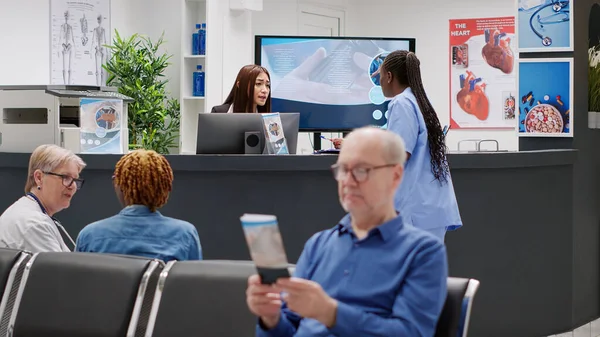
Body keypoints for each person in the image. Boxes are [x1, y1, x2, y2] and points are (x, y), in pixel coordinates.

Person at [246, 127, 448, 337]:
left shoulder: (422, 253)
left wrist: (330, 312)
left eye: (362, 170)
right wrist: (271, 318)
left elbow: (410, 333)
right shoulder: (319, 245)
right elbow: (290, 328)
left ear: (395, 176)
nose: (348, 181)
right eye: (343, 169)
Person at [333, 50, 462, 241]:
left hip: (415, 209)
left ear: (389, 76)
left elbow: (400, 153)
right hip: (430, 205)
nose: (379, 82)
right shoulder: (419, 101)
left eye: (380, 76)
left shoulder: (400, 103)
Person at [75, 149, 202, 262]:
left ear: (118, 184)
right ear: (165, 187)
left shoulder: (90, 235)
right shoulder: (185, 234)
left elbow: (79, 285)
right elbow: (193, 285)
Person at [0, 144, 86, 252]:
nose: (73, 186)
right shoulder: (33, 224)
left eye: (75, 180)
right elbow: (59, 268)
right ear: (39, 178)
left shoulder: (30, 213)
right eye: (66, 177)